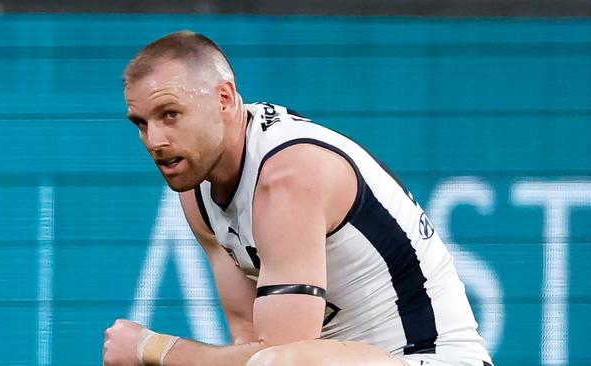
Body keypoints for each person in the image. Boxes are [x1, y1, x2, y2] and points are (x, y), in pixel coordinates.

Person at [102, 30, 493, 366]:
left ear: (224, 99)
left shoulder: (288, 175)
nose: (155, 141)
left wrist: (152, 347)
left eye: (170, 114)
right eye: (141, 123)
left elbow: (279, 353)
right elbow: (247, 339)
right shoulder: (197, 190)